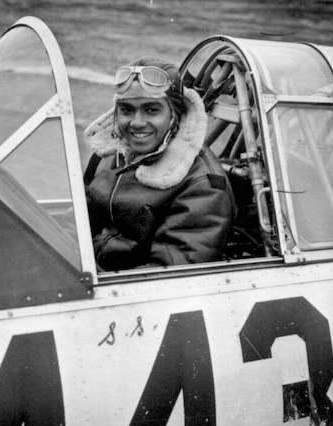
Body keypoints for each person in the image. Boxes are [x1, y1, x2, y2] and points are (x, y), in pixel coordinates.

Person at [83, 57, 235, 271]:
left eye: (151, 110)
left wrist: (95, 278)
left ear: (176, 114)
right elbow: (76, 221)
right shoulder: (109, 156)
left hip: (128, 288)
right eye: (126, 110)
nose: (136, 122)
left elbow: (169, 272)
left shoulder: (202, 185)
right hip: (86, 271)